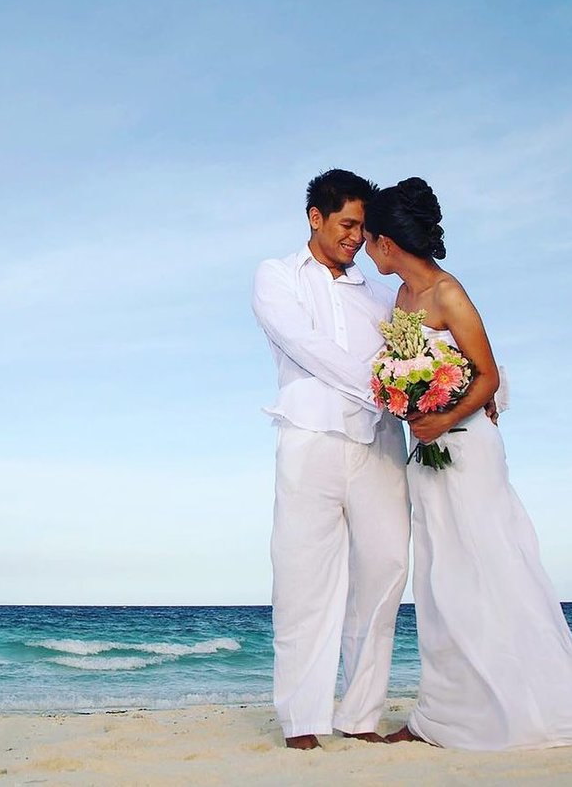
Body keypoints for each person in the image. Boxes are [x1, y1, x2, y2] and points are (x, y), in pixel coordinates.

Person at [362, 177, 572, 749]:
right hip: (427, 455)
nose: (367, 250)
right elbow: (415, 369)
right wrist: (409, 403)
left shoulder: (448, 294)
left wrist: (442, 417)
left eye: (369, 240)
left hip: (467, 450)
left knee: (485, 570)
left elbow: (487, 375)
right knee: (439, 580)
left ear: (387, 243)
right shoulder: (402, 298)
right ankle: (443, 712)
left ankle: (516, 706)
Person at [251, 169, 410, 749]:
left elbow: (416, 351)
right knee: (303, 578)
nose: (356, 237)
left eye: (362, 227)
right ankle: (302, 721)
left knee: (386, 571)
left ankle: (361, 715)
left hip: (380, 446)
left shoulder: (380, 296)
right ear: (315, 218)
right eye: (347, 224)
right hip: (310, 439)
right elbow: (305, 345)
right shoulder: (276, 276)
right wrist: (385, 390)